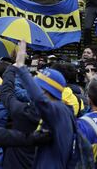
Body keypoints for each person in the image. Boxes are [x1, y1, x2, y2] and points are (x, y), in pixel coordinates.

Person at [11, 40, 77, 169]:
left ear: (44, 90)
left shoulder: (58, 110)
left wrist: (21, 68)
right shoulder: (63, 110)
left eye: (37, 86)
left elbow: (40, 100)